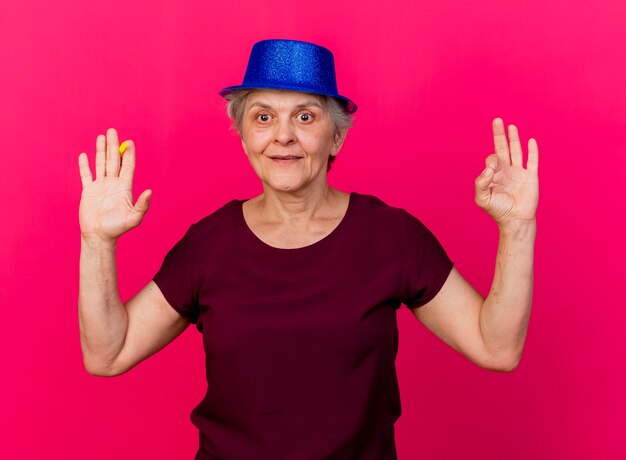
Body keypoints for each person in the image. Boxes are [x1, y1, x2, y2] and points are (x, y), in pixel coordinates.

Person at [77, 39, 539, 460]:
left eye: (305, 116)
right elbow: (108, 353)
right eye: (263, 117)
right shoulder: (208, 245)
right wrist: (96, 241)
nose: (283, 135)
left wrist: (517, 227)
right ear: (242, 135)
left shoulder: (391, 237)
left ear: (336, 136)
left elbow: (495, 346)